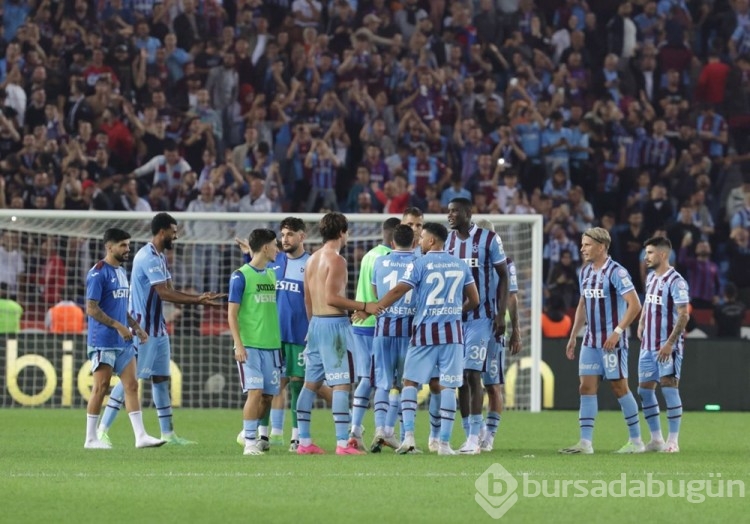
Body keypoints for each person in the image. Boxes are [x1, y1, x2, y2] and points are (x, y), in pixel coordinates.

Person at [97, 213, 225, 445]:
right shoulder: (147, 256)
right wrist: (197, 300)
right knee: (130, 381)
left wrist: (198, 299)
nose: (176, 236)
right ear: (162, 231)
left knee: (161, 379)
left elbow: (171, 290)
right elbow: (164, 293)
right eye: (173, 231)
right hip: (142, 329)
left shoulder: (160, 256)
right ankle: (102, 429)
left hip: (158, 328)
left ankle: (168, 434)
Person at [375, 222, 479, 456]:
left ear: (431, 241)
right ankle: (444, 444)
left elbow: (397, 291)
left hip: (424, 333)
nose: (419, 242)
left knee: (410, 382)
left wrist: (375, 307)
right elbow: (474, 300)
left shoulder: (419, 264)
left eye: (422, 238)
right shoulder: (460, 264)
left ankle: (409, 438)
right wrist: (454, 311)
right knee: (448, 387)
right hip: (453, 335)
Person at [295, 212, 379, 455]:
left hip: (317, 325)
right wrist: (364, 306)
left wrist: (314, 326)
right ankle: (343, 443)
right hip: (334, 328)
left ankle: (304, 442)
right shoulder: (337, 260)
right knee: (342, 385)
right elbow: (333, 298)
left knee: (310, 385)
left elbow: (308, 299)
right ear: (342, 232)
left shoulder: (311, 260)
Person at [560, 227, 644, 455]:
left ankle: (636, 442)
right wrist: (573, 335)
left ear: (601, 246)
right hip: (590, 341)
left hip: (612, 343)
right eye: (582, 244)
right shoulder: (584, 272)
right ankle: (585, 443)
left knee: (619, 388)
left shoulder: (617, 272)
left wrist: (617, 331)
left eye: (587, 244)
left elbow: (635, 304)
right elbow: (582, 305)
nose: (582, 248)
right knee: (586, 387)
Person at [83, 228, 164, 449]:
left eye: (128, 245)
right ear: (109, 247)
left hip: (123, 341)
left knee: (131, 385)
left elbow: (120, 307)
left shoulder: (120, 272)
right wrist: (118, 326)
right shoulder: (98, 273)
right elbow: (91, 308)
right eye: (123, 245)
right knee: (100, 387)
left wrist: (136, 326)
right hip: (103, 340)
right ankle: (90, 439)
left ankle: (141, 436)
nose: (128, 249)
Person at [445, 197, 509, 455]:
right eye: (448, 211)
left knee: (473, 375)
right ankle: (471, 432)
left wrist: (501, 314)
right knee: (459, 379)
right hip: (455, 320)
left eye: (454, 211)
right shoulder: (447, 242)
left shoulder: (488, 239)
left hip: (482, 318)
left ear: (468, 213)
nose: (449, 216)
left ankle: (474, 439)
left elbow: (503, 275)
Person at [229, 228, 283, 456]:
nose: (278, 249)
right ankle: (249, 442)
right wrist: (238, 344)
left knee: (268, 395)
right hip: (250, 346)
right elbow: (231, 314)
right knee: (255, 392)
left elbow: (257, 271)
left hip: (272, 345)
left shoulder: (271, 274)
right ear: (265, 248)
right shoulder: (239, 276)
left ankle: (251, 433)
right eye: (275, 244)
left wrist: (247, 254)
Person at [349, 217, 401, 450]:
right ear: (395, 237)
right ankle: (372, 430)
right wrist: (369, 313)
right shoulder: (389, 258)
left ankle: (360, 430)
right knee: (379, 379)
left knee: (369, 378)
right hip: (375, 324)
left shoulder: (370, 254)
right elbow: (380, 295)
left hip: (362, 323)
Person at [637, 236, 690, 454]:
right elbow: (648, 303)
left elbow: (684, 315)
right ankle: (656, 439)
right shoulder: (650, 278)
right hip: (647, 345)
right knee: (644, 390)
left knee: (669, 386)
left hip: (666, 346)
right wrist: (641, 322)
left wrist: (670, 344)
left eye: (650, 253)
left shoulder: (676, 281)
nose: (645, 257)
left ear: (663, 254)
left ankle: (673, 441)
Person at [369, 224, 418, 452]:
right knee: (406, 383)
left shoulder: (379, 261)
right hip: (408, 330)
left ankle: (381, 429)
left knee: (382, 383)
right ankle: (399, 433)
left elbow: (375, 293)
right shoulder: (419, 262)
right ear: (415, 243)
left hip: (383, 329)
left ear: (392, 243)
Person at [474, 219, 522, 452]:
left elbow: (512, 297)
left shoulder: (506, 264)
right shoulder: (466, 260)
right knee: (466, 381)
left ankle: (490, 435)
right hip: (469, 326)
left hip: (494, 329)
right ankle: (479, 429)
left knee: (492, 385)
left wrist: (516, 331)